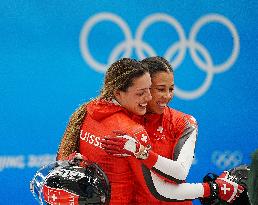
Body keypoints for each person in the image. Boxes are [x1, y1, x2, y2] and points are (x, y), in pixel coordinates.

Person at [57, 57, 244, 205]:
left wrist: (143, 153)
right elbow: (160, 189)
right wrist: (213, 189)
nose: (167, 96)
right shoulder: (126, 123)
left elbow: (179, 173)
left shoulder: (183, 123)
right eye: (158, 89)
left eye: (171, 89)